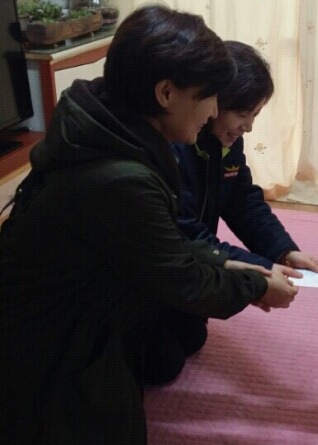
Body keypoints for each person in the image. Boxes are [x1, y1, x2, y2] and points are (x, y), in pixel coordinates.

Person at [0, 5, 298, 444]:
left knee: (179, 341)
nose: (214, 110)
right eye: (210, 97)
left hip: (84, 302)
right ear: (166, 93)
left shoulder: (115, 127)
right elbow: (183, 278)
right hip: (48, 337)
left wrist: (242, 262)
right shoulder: (123, 177)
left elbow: (167, 239)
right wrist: (255, 284)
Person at [146, 41, 318, 384]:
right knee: (163, 363)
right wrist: (259, 275)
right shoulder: (173, 147)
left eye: (255, 116)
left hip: (189, 258)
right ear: (214, 102)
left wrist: (283, 251)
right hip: (164, 263)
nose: (249, 127)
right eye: (244, 115)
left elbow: (243, 200)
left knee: (191, 336)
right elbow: (185, 234)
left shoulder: (226, 142)